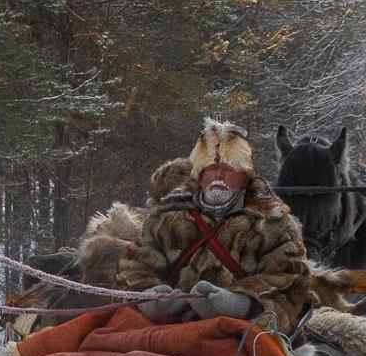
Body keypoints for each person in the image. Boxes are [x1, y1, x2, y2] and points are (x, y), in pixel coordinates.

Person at [111, 118, 311, 331]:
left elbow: (291, 286)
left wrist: (239, 305)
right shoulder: (164, 219)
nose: (219, 175)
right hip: (167, 332)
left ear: (245, 177)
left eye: (228, 168)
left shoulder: (275, 224)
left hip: (240, 337)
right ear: (199, 176)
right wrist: (149, 298)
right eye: (211, 168)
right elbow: (133, 269)